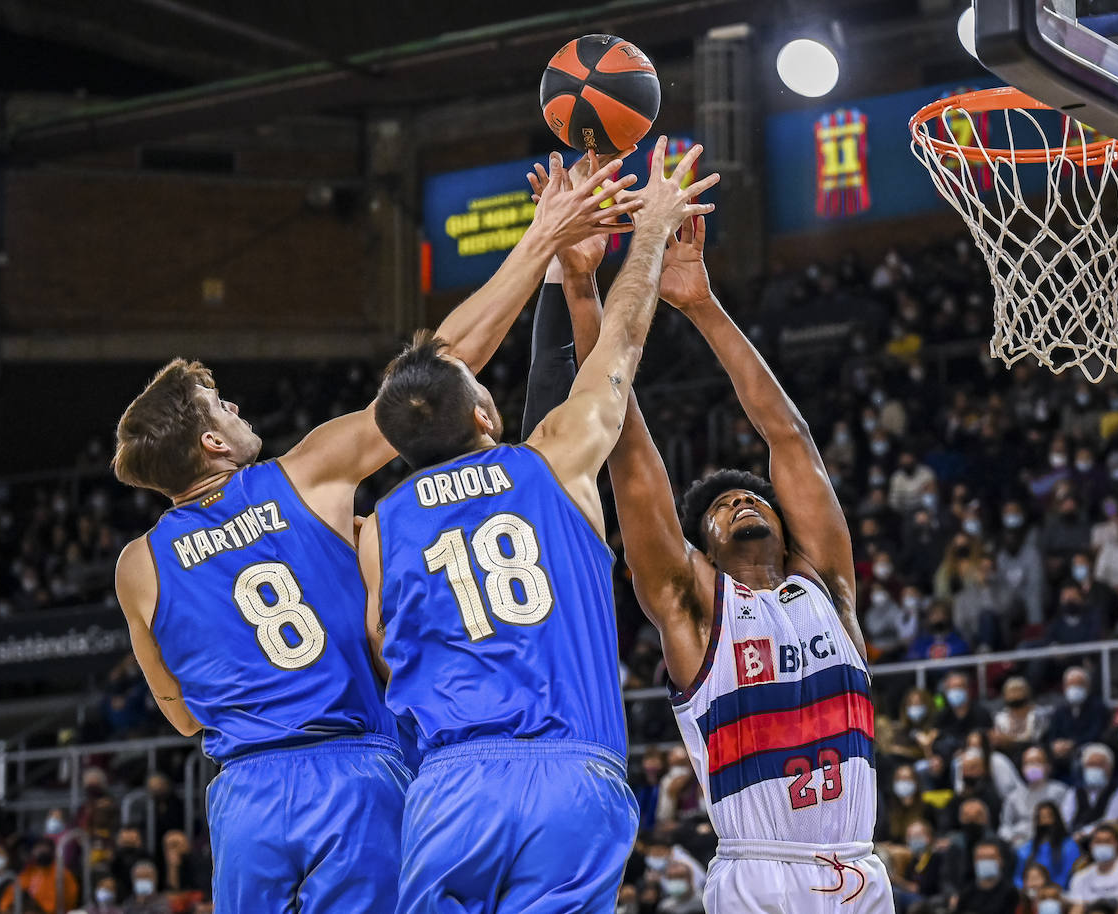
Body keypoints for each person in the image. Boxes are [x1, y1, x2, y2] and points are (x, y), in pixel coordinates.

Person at [109, 149, 641, 911]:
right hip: (354, 768)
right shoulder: (304, 475)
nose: (238, 411)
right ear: (213, 447)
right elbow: (431, 381)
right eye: (223, 406)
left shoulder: (139, 566)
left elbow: (183, 712)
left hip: (245, 794)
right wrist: (541, 239)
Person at [362, 139, 715, 914]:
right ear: (486, 414)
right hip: (567, 770)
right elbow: (619, 347)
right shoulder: (552, 460)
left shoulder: (380, 526)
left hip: (451, 786)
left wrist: (561, 261)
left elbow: (385, 647)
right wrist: (648, 230)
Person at [556, 188, 890, 906]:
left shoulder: (826, 588)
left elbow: (787, 438)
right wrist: (583, 293)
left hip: (860, 872)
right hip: (758, 873)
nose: (741, 500)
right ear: (700, 550)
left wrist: (701, 304)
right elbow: (627, 450)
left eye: (752, 497)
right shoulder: (696, 605)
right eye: (719, 508)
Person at [1000, 747, 1074, 845]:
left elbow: (1066, 820)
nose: (1032, 766)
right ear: (1022, 768)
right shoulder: (1013, 796)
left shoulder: (1060, 791)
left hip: (1050, 841)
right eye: (1028, 763)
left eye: (1037, 762)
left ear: (1048, 766)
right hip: (1020, 843)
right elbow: (1005, 825)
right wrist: (1011, 837)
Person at [1067, 824, 1118, 914]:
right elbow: (1077, 908)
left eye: (1107, 841)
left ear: (1117, 844)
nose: (1102, 845)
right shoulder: (1080, 876)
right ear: (1091, 845)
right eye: (1098, 841)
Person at [0, 840, 79, 913]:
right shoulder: (29, 871)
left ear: (52, 851)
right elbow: (12, 892)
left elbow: (60, 905)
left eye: (45, 848)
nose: (41, 851)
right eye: (38, 848)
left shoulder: (62, 873)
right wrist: (7, 908)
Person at [1013, 802, 1079, 889]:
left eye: (1049, 817)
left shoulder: (1069, 846)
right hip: (1030, 893)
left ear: (1056, 818)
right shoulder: (1027, 848)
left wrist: (1048, 891)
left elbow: (1067, 875)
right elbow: (1018, 876)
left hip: (1057, 893)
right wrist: (1025, 889)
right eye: (1041, 818)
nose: (1045, 822)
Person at [1070, 744, 1118, 839]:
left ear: (1110, 767)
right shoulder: (1074, 791)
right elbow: (1065, 819)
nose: (1094, 768)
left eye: (1099, 765)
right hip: (1074, 838)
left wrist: (1084, 833)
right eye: (1091, 765)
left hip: (1104, 838)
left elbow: (1111, 820)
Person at [956, 840, 1020, 914]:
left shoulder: (1011, 893)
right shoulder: (967, 893)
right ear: (974, 861)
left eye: (990, 857)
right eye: (981, 858)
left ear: (1001, 860)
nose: (985, 861)